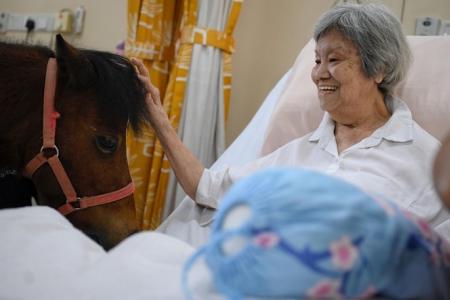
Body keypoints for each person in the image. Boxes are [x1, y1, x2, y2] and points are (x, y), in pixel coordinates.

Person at [131, 3, 450, 240]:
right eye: (317, 60)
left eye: (334, 59)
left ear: (378, 68)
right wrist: (158, 118)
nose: (318, 73)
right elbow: (207, 187)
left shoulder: (426, 159)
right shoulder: (297, 151)